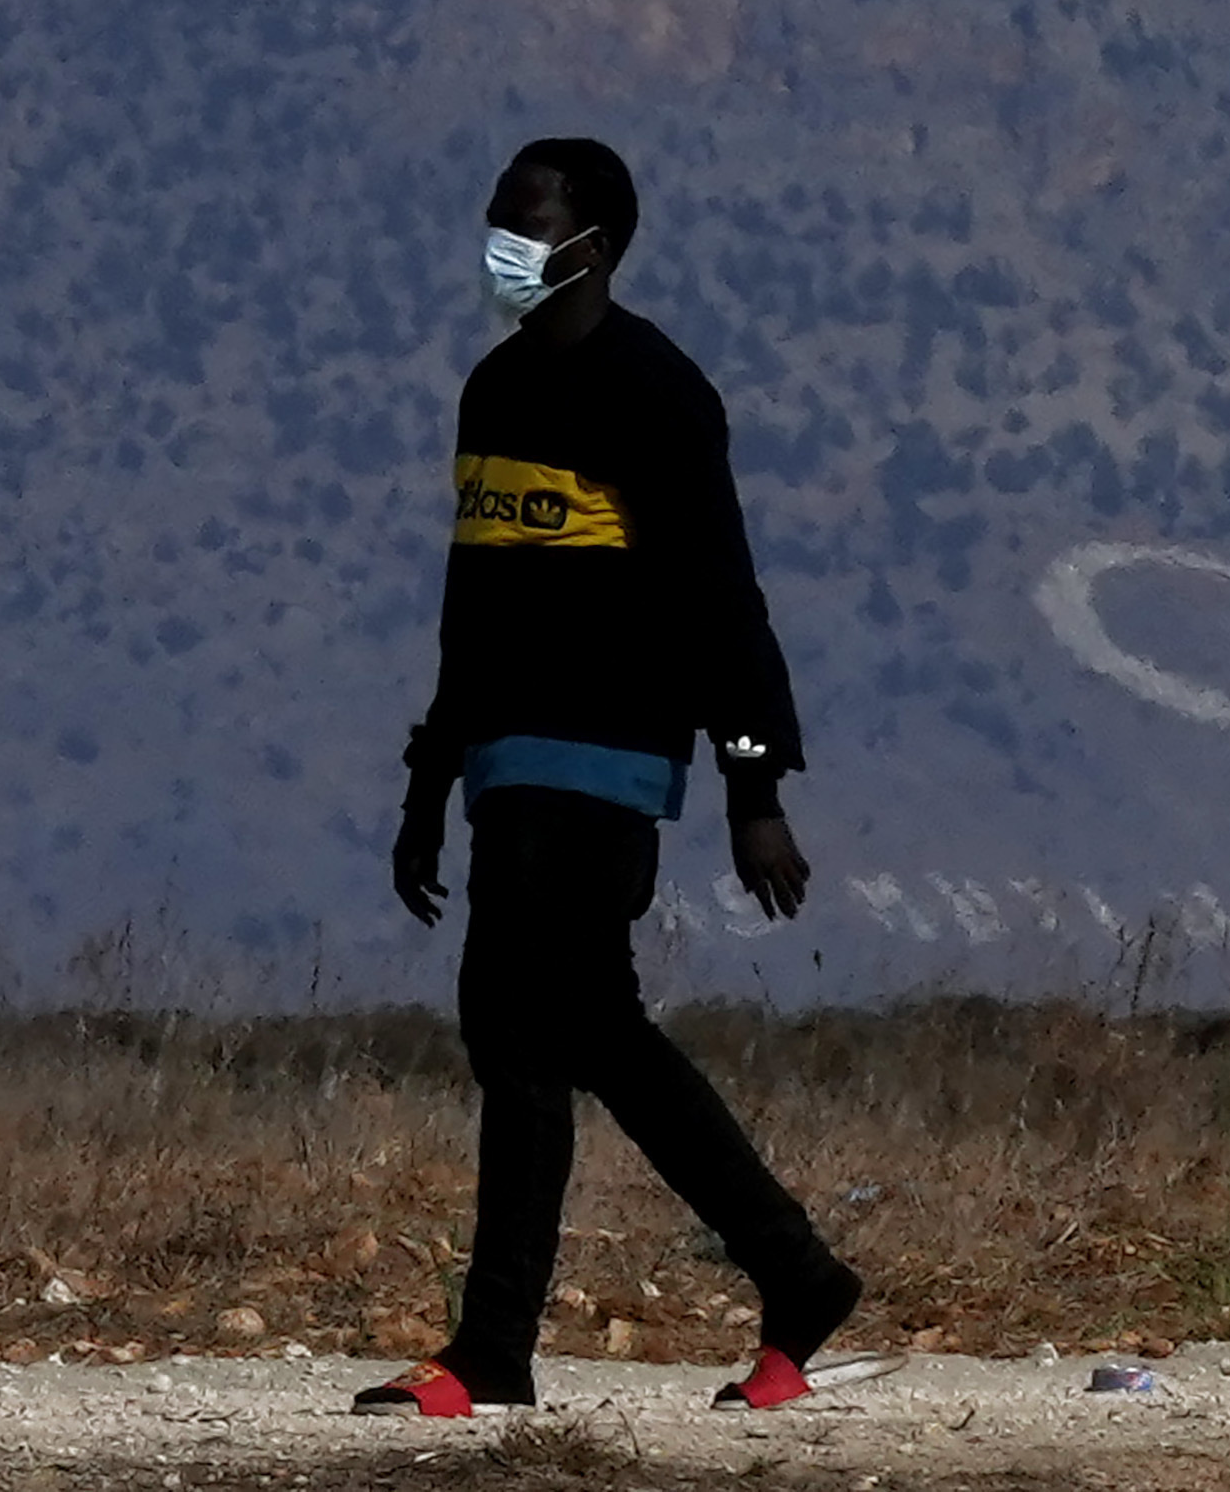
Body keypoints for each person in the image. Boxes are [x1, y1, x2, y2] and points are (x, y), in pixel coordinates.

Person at [356, 135, 867, 1419]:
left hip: (610, 758)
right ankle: (796, 1276)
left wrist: (756, 786)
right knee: (584, 1034)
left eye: (524, 225)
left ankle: (493, 1352)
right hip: (503, 761)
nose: (502, 246)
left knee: (522, 1028)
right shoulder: (492, 392)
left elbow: (719, 600)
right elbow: (466, 613)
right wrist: (428, 783)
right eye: (493, 221)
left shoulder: (657, 393)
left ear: (597, 241)